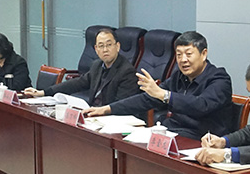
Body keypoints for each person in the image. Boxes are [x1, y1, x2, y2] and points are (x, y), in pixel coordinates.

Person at [84, 31, 232, 139]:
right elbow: (147, 99)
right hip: (172, 133)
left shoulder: (220, 79)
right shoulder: (179, 77)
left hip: (201, 140)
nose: (183, 60)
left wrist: (165, 95)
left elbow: (201, 105)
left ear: (204, 54)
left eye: (188, 54)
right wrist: (107, 109)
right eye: (179, 55)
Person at [23, 28, 139, 106]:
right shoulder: (97, 65)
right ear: (96, 49)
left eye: (109, 45)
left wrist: (99, 112)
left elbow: (121, 106)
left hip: (111, 119)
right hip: (94, 114)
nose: (105, 50)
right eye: (101, 46)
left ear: (117, 46)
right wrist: (43, 92)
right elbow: (78, 83)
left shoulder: (127, 71)